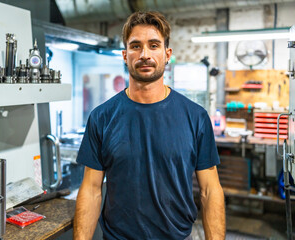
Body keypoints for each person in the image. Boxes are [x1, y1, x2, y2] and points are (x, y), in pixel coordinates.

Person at [74, 11, 225, 240]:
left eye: (153, 45)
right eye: (136, 46)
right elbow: (92, 190)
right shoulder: (101, 117)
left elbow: (210, 191)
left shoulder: (195, 117)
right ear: (125, 55)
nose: (144, 54)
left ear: (167, 54)